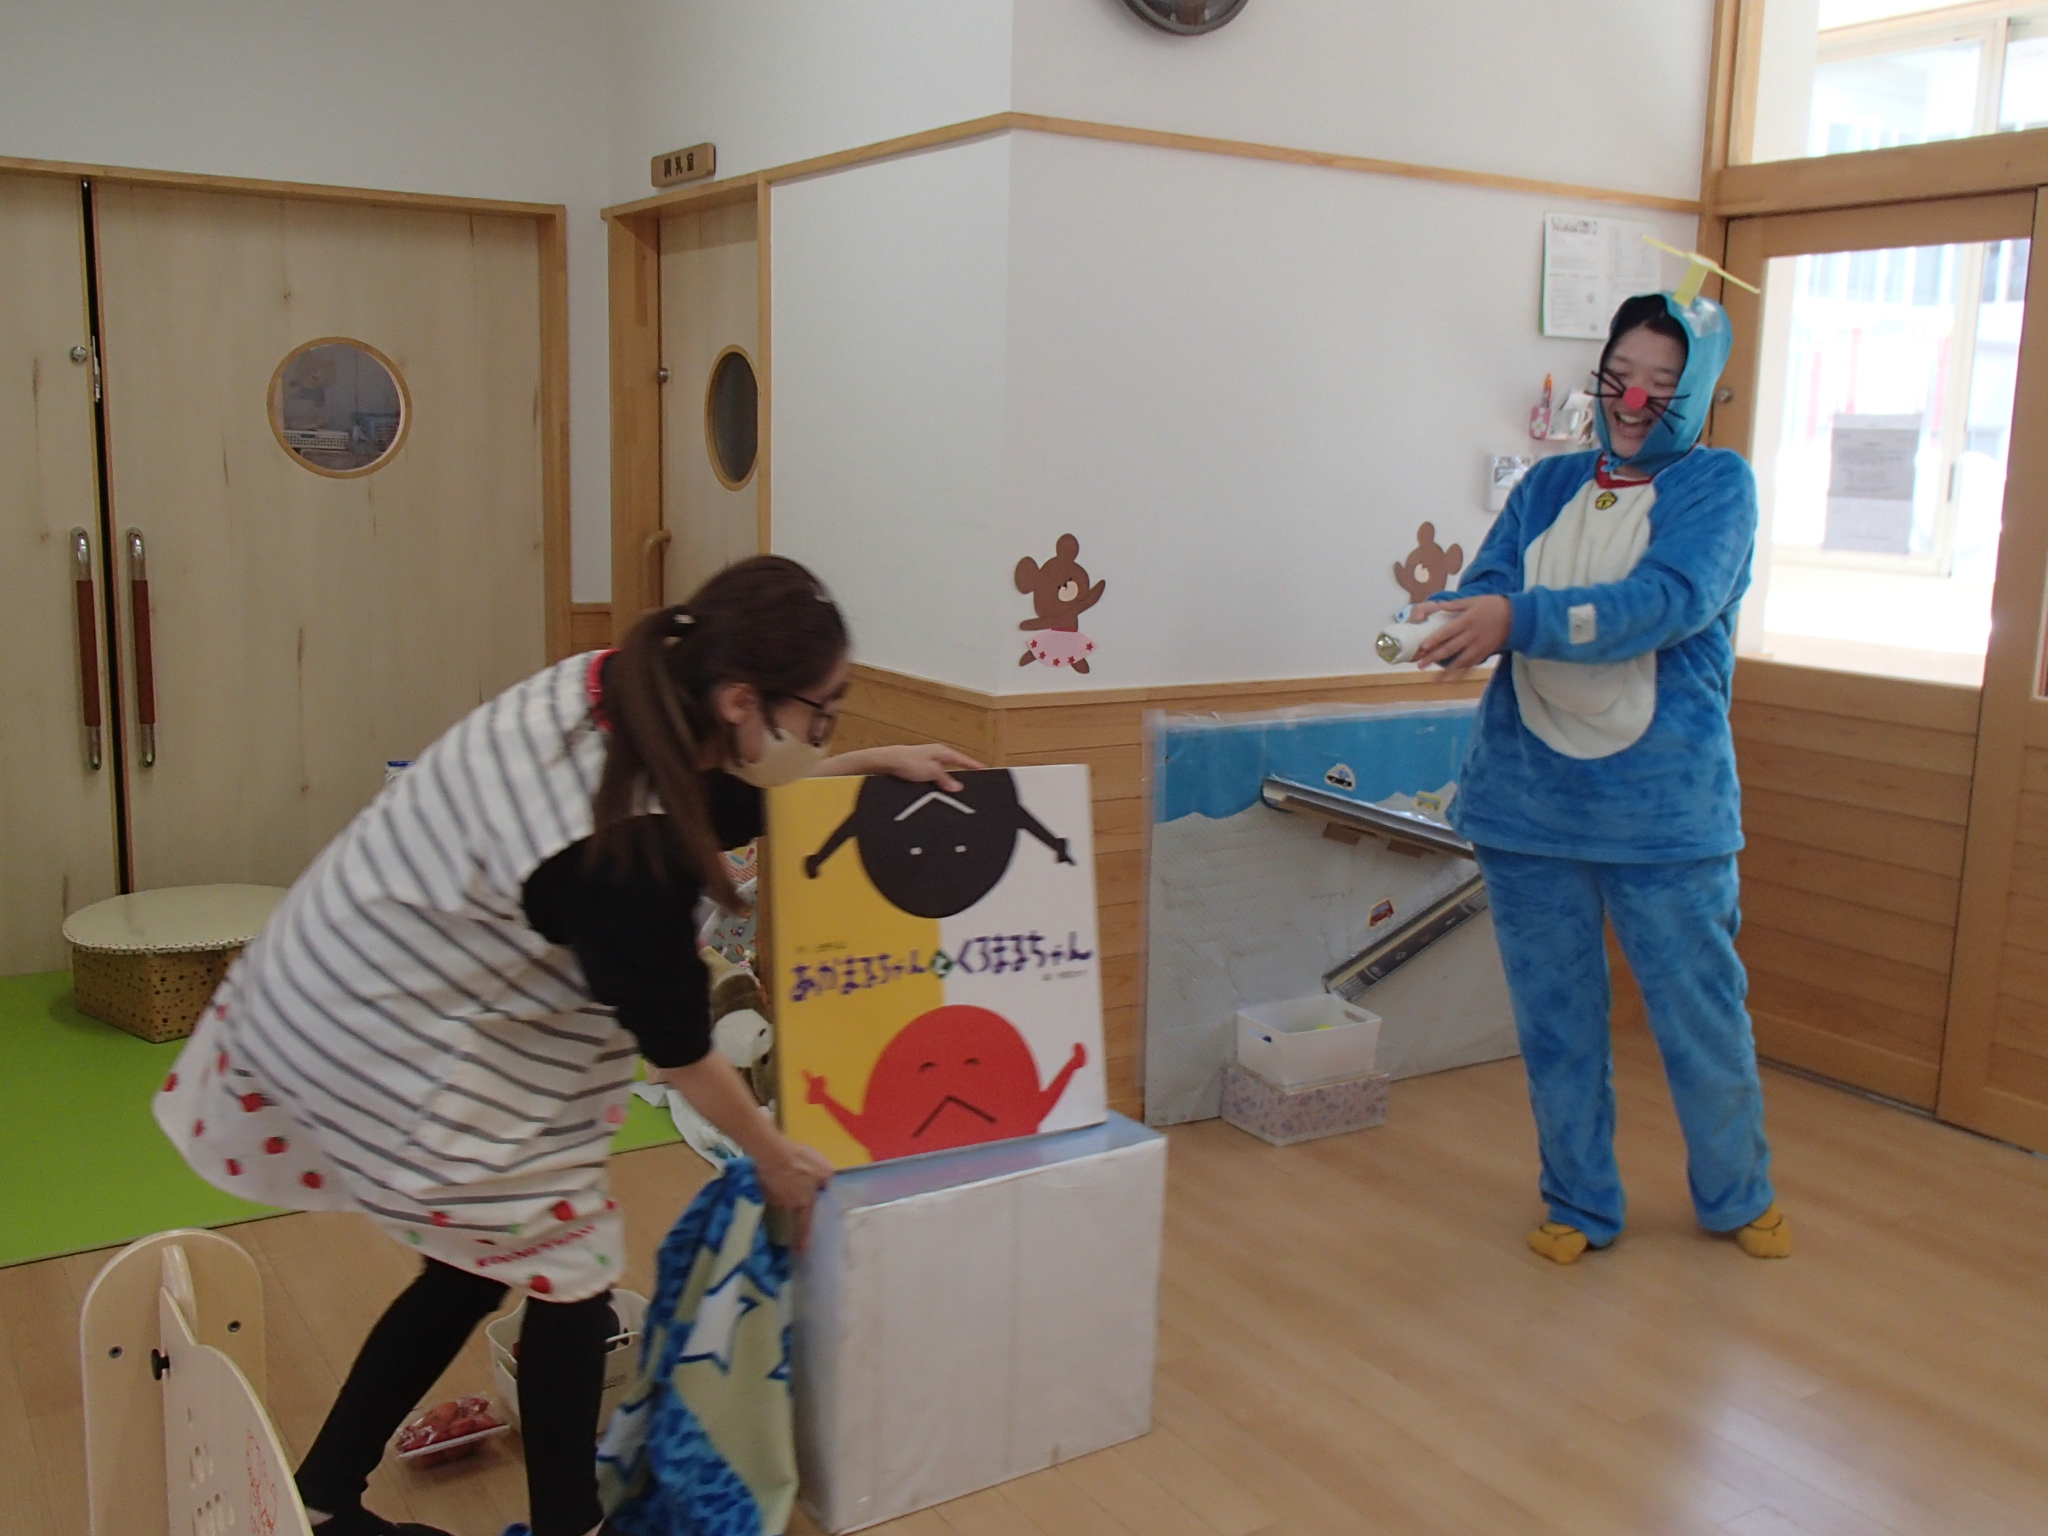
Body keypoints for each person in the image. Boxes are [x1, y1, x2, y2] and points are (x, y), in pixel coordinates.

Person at [154, 556, 981, 1536]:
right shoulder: (618, 845)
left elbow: (717, 797)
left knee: (480, 1262)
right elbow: (679, 1048)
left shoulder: (629, 685)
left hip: (371, 967)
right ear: (739, 699)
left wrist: (864, 767)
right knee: (570, 1268)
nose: (822, 733)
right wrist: (774, 1156)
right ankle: (564, 1522)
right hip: (391, 1023)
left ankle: (326, 1491)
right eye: (823, 714)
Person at [1406, 288, 1791, 1266]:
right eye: (1618, 376)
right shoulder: (1547, 484)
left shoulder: (1717, 486)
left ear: (1698, 391)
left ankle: (1737, 1194)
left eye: (1662, 382)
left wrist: (1516, 621)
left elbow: (1664, 602)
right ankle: (1578, 1201)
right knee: (1555, 1024)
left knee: (1699, 1016)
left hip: (1663, 816)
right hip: (1526, 803)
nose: (1633, 400)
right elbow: (1494, 582)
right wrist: (1456, 618)